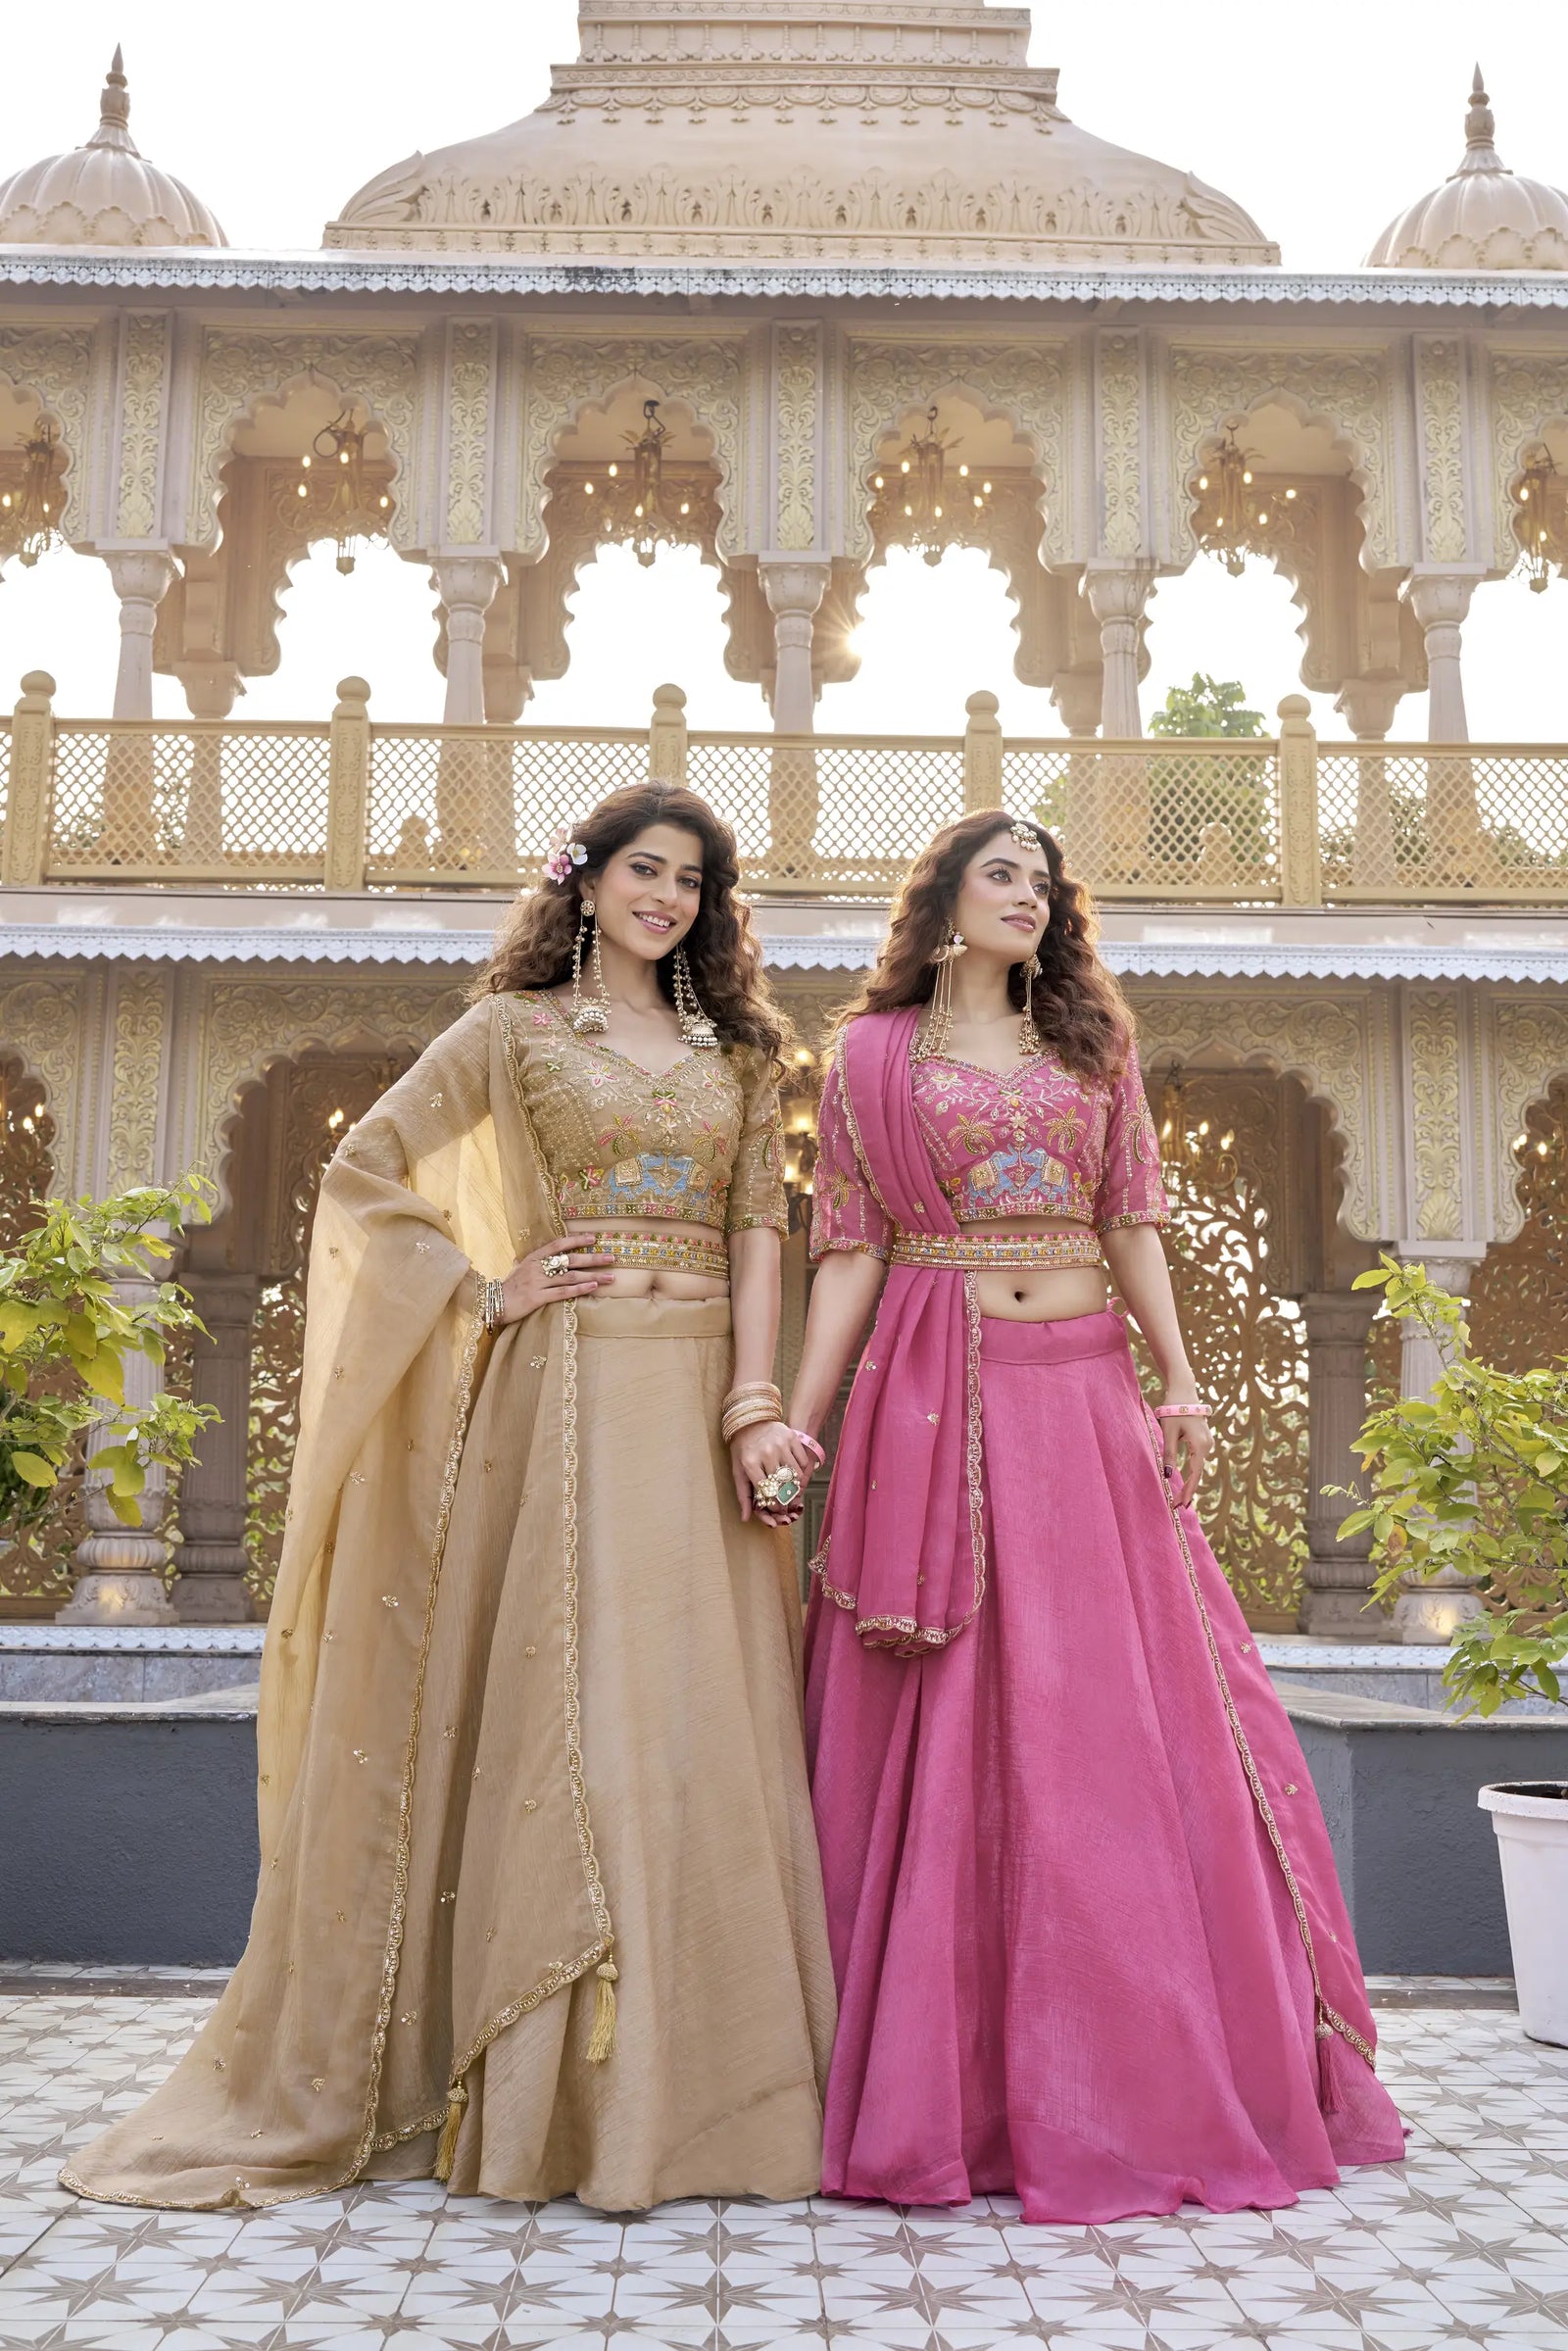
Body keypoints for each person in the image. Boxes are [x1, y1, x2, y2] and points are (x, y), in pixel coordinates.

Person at [65, 781, 834, 2214]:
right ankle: (553, 2098)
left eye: (692, 882)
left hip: (697, 1405)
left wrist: (755, 1399)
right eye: (645, 871)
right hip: (570, 1393)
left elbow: (758, 1229)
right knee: (581, 1714)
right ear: (588, 881)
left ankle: (713, 2096)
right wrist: (489, 1289)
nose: (667, 898)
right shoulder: (513, 1031)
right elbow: (366, 1174)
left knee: (697, 1723)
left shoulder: (741, 1053)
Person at [785, 808, 1404, 2225]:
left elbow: (1134, 1221)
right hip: (937, 1396)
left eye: (1044, 883)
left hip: (1085, 1402)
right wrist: (798, 1422)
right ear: (940, 897)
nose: (1028, 897)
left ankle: (1133, 2078)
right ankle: (950, 2097)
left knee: (1104, 1727)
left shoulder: (1093, 1048)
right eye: (1000, 874)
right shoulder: (872, 1060)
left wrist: (1180, 1384)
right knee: (946, 1724)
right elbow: (850, 1250)